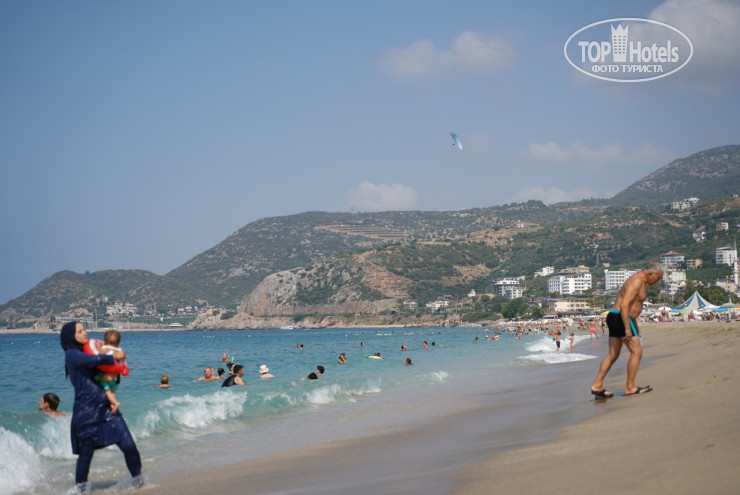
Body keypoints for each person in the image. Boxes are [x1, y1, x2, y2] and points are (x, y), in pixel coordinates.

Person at [60, 321, 143, 490]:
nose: (85, 333)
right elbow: (94, 360)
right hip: (86, 412)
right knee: (86, 456)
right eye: (79, 331)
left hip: (107, 409)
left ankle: (140, 482)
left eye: (84, 329)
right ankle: (80, 490)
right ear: (71, 336)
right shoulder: (72, 355)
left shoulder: (93, 348)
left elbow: (110, 377)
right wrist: (114, 355)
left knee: (129, 445)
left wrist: (116, 358)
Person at [590, 262, 664, 399]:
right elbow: (624, 305)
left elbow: (632, 306)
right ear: (650, 273)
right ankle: (630, 387)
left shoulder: (639, 281)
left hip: (615, 316)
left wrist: (635, 326)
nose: (658, 281)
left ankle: (597, 385)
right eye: (658, 277)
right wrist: (628, 328)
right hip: (621, 318)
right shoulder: (637, 281)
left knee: (613, 354)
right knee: (637, 352)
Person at [83, 330, 127, 415]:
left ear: (105, 341)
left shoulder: (105, 349)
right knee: (113, 390)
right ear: (119, 343)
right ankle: (113, 404)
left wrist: (99, 348)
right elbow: (122, 357)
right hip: (114, 378)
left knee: (107, 390)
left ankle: (114, 403)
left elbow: (98, 356)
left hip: (105, 377)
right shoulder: (119, 351)